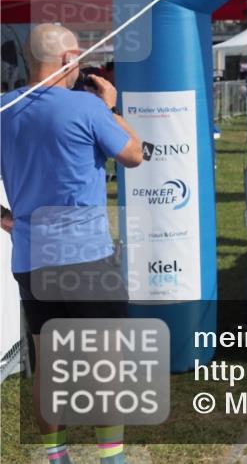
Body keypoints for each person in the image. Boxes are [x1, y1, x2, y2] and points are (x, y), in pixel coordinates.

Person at [0, 24, 144, 464]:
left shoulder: (4, 107)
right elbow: (134, 154)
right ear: (68, 59)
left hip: (30, 259)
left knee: (48, 366)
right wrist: (111, 107)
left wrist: (9, 221)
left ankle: (55, 456)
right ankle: (111, 458)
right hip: (85, 258)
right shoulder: (86, 106)